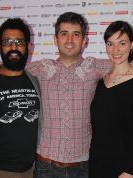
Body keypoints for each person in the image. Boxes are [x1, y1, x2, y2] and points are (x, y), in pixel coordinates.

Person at [27, 11, 111, 178]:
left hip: (83, 167)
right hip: (45, 166)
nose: (70, 40)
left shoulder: (95, 67)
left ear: (85, 40)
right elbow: (8, 71)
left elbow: (130, 62)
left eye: (76, 34)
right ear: (55, 39)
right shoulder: (39, 69)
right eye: (64, 34)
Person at [0, 18, 42, 178]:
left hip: (29, 171)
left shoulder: (35, 81)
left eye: (19, 42)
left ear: (28, 47)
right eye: (8, 41)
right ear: (0, 46)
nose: (13, 47)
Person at [89, 21, 133, 178]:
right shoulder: (101, 83)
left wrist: (130, 170)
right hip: (98, 165)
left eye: (122, 43)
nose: (115, 50)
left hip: (126, 170)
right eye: (110, 44)